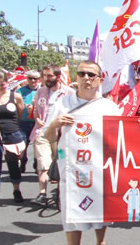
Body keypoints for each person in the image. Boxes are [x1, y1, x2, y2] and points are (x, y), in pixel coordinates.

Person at [44, 60, 121, 245]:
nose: (86, 78)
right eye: (81, 74)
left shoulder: (109, 107)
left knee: (100, 212)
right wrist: (55, 124)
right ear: (76, 77)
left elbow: (120, 139)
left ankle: (100, 242)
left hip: (99, 171)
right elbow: (49, 137)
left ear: (99, 79)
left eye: (91, 74)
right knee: (72, 217)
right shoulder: (63, 103)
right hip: (72, 171)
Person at [30, 65, 74, 206]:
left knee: (61, 164)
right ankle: (42, 193)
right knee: (43, 164)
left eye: (50, 76)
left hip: (60, 134)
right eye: (44, 76)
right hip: (42, 132)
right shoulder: (40, 92)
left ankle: (61, 193)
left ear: (57, 76)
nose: (46, 79)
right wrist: (37, 119)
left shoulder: (69, 93)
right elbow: (36, 110)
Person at [0, 70, 25, 213]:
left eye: (2, 85)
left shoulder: (15, 97)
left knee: (13, 165)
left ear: (7, 83)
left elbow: (20, 113)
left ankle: (16, 190)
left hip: (12, 134)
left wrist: (13, 127)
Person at [16, 70, 41, 173]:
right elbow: (16, 104)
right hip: (23, 121)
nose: (33, 80)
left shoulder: (42, 91)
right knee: (23, 143)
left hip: (36, 122)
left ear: (38, 80)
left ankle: (36, 162)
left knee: (37, 144)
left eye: (35, 78)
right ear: (27, 79)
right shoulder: (20, 91)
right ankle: (23, 160)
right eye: (30, 78)